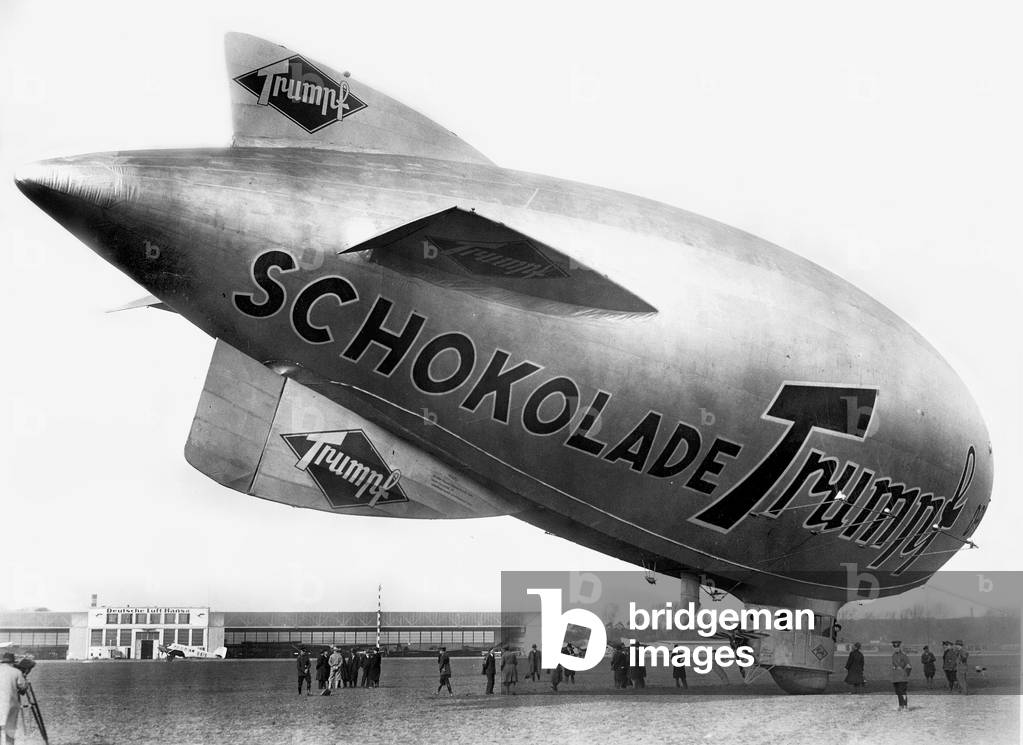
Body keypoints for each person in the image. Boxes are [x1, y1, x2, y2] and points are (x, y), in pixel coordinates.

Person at [1, 653, 27, 745]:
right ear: (12, 662)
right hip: (10, 705)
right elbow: (23, 690)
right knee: (10, 729)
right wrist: (24, 678)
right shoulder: (16, 672)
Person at [890, 640, 911, 712]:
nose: (896, 648)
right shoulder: (893, 656)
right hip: (895, 677)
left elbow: (908, 666)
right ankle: (900, 705)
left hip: (902, 677)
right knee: (898, 692)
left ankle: (905, 706)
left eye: (897, 647)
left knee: (903, 692)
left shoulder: (904, 655)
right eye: (895, 647)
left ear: (900, 647)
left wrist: (905, 674)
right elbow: (894, 666)